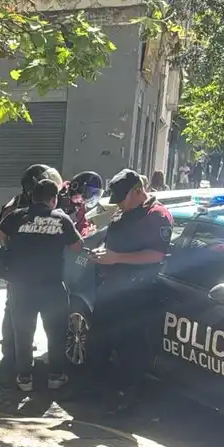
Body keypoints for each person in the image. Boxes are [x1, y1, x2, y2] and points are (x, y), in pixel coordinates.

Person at [0, 179, 82, 391]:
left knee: (23, 332)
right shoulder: (61, 218)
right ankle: (56, 376)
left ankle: (24, 378)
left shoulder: (16, 216)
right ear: (54, 199)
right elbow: (78, 246)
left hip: (21, 287)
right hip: (52, 287)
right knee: (56, 332)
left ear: (32, 197)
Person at [90, 170, 173, 413]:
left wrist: (116, 258)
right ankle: (93, 389)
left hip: (137, 292)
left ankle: (125, 398)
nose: (118, 203)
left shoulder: (156, 215)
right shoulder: (125, 210)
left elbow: (156, 254)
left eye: (121, 198)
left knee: (131, 348)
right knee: (98, 341)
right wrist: (104, 254)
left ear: (138, 191)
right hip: (112, 288)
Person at [0, 164, 65, 386]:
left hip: (28, 274)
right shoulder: (17, 208)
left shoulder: (30, 204)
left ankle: (24, 368)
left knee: (24, 319)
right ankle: (10, 359)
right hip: (22, 274)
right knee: (15, 318)